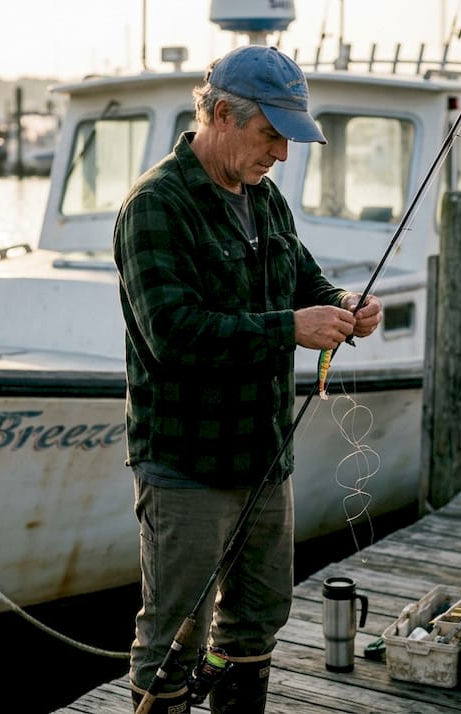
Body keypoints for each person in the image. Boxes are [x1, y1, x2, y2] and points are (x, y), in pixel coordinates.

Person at [112, 44, 383, 714]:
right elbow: (172, 335)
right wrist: (291, 328)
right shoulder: (154, 205)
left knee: (258, 619)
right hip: (184, 464)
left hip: (263, 455)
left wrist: (347, 304)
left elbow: (306, 280)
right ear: (224, 114)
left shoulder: (265, 201)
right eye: (272, 136)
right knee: (174, 633)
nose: (282, 156)